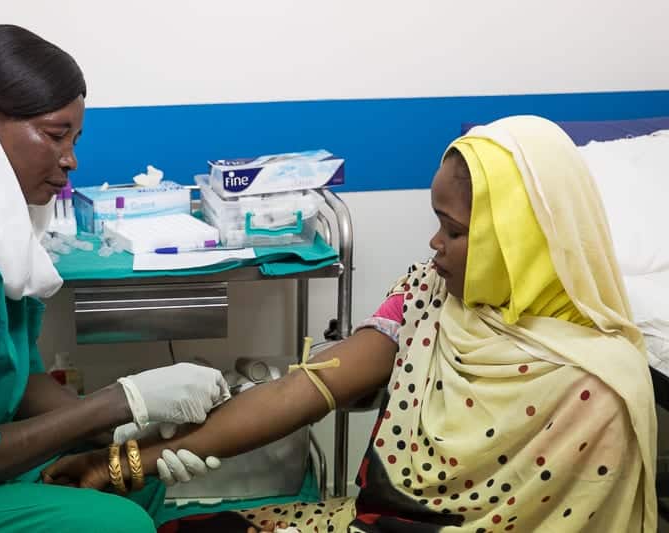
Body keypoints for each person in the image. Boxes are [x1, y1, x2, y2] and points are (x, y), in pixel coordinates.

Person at [45, 115, 658, 532]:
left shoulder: (599, 385)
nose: (433, 244)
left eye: (453, 230)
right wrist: (124, 461)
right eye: (436, 222)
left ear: (519, 240)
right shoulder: (427, 295)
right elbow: (307, 388)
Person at [0, 25, 227, 533]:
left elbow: (20, 380)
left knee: (132, 476)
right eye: (55, 135)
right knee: (117, 525)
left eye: (74, 140)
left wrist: (123, 431)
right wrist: (123, 399)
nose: (70, 160)